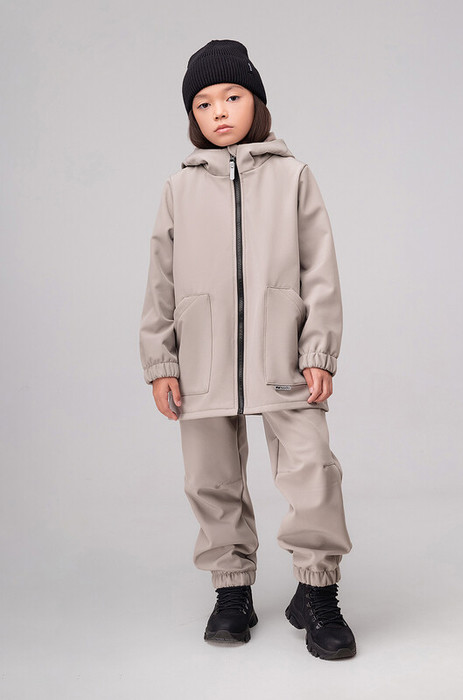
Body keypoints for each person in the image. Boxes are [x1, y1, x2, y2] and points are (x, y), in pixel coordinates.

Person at [139, 39, 356, 661]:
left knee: (313, 470)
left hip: (283, 354)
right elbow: (159, 281)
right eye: (204, 103)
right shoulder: (179, 188)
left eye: (232, 97)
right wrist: (161, 362)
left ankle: (317, 594)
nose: (220, 111)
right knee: (210, 478)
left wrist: (318, 349)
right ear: (193, 116)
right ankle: (231, 589)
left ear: (256, 102)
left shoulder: (293, 176)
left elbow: (321, 270)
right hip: (202, 358)